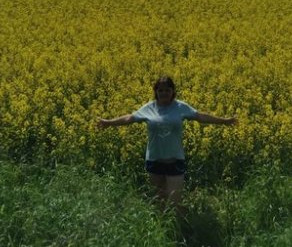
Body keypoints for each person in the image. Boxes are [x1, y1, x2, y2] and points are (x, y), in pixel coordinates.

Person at [96, 75, 237, 211]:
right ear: (156, 92)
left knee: (174, 202)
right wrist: (108, 123)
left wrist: (225, 121)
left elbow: (200, 116)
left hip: (175, 161)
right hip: (154, 161)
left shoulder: (181, 107)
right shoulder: (149, 108)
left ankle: (178, 230)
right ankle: (163, 231)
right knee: (159, 201)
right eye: (160, 90)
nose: (164, 93)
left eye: (167, 90)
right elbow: (129, 119)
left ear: (173, 91)